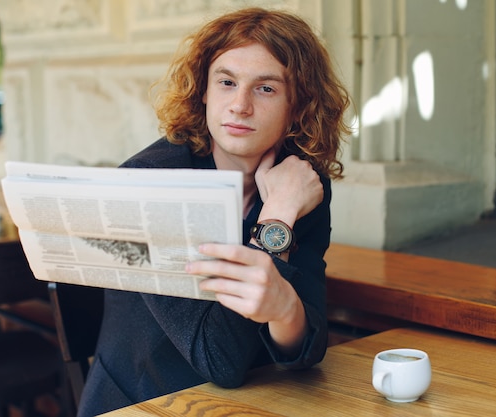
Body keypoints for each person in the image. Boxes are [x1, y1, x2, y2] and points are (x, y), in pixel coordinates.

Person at [77, 7, 351, 416]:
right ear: (203, 90)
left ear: (299, 106)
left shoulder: (300, 183)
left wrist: (286, 309)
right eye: (226, 82)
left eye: (266, 89)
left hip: (248, 405)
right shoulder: (151, 182)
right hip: (144, 405)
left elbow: (306, 348)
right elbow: (219, 359)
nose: (240, 105)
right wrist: (276, 218)